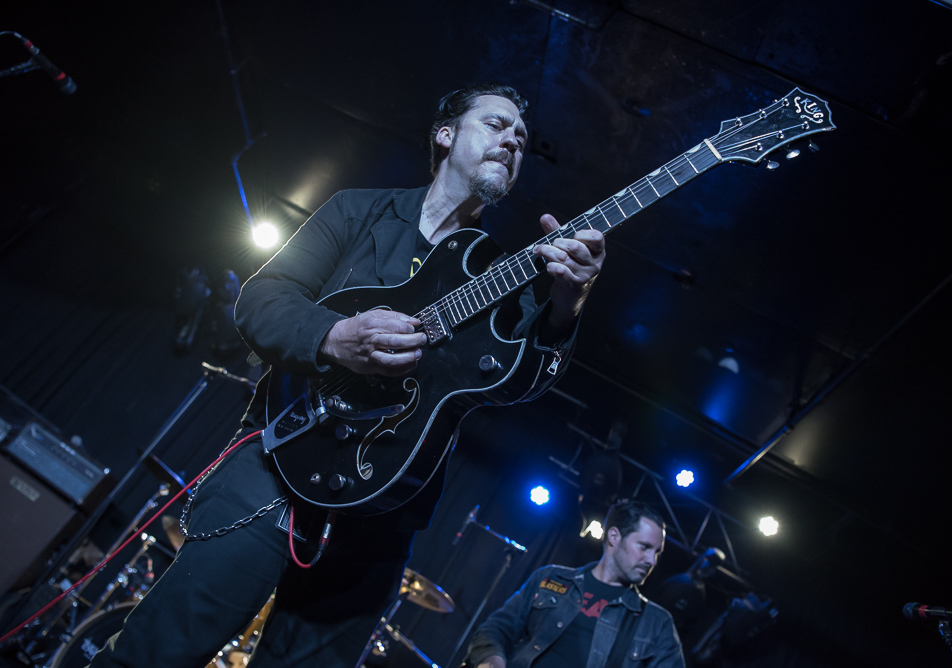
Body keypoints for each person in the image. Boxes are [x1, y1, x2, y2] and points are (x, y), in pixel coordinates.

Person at [88, 82, 605, 668]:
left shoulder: (500, 274)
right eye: (496, 124)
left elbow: (521, 382)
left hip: (381, 521)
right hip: (274, 467)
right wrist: (336, 338)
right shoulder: (358, 210)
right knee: (152, 653)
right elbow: (262, 300)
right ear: (445, 133)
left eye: (521, 137)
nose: (513, 139)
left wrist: (568, 304)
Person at [465, 500, 685, 668]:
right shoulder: (550, 578)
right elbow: (494, 630)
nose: (652, 560)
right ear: (614, 537)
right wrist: (492, 663)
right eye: (645, 547)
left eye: (657, 552)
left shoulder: (657, 623)